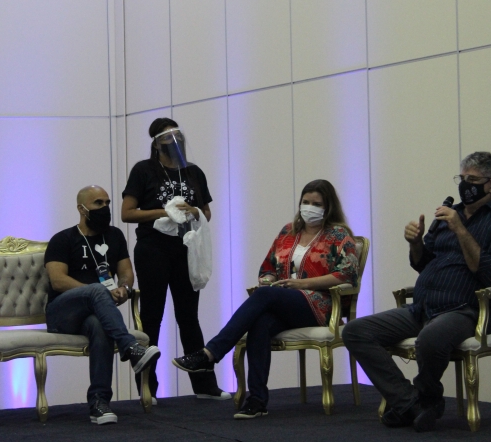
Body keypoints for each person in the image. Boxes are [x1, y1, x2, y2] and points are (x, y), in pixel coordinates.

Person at [342, 151, 491, 432]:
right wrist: (415, 243)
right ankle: (412, 403)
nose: (465, 186)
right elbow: (423, 264)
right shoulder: (447, 216)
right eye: (461, 179)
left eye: (472, 180)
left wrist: (460, 229)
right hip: (423, 307)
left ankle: (421, 400)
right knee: (355, 331)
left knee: (430, 339)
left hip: (467, 311)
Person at [173, 179, 359, 419]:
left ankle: (210, 353)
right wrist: (269, 280)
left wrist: (302, 284)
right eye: (305, 202)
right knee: (260, 322)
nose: (309, 208)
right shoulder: (288, 232)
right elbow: (268, 268)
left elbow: (347, 274)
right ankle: (257, 401)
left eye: (316, 204)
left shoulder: (338, 235)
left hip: (320, 305)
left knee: (264, 295)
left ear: (328, 207)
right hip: (285, 301)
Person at [121, 118, 230, 402]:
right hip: (153, 249)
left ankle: (204, 385)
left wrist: (194, 212)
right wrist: (163, 212)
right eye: (167, 138)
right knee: (151, 317)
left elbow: (206, 212)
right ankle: (148, 388)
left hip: (186, 248)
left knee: (189, 317)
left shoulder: (193, 172)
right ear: (157, 143)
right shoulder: (144, 170)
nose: (174, 141)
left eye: (177, 135)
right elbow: (127, 213)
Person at [44, 185, 161, 425]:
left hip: (93, 314)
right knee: (97, 289)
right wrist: (97, 292)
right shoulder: (63, 239)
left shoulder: (114, 236)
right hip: (61, 313)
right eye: (98, 203)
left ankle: (99, 403)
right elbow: (58, 281)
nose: (105, 208)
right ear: (82, 209)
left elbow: (126, 272)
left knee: (100, 326)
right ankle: (130, 347)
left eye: (107, 203)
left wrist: (124, 288)